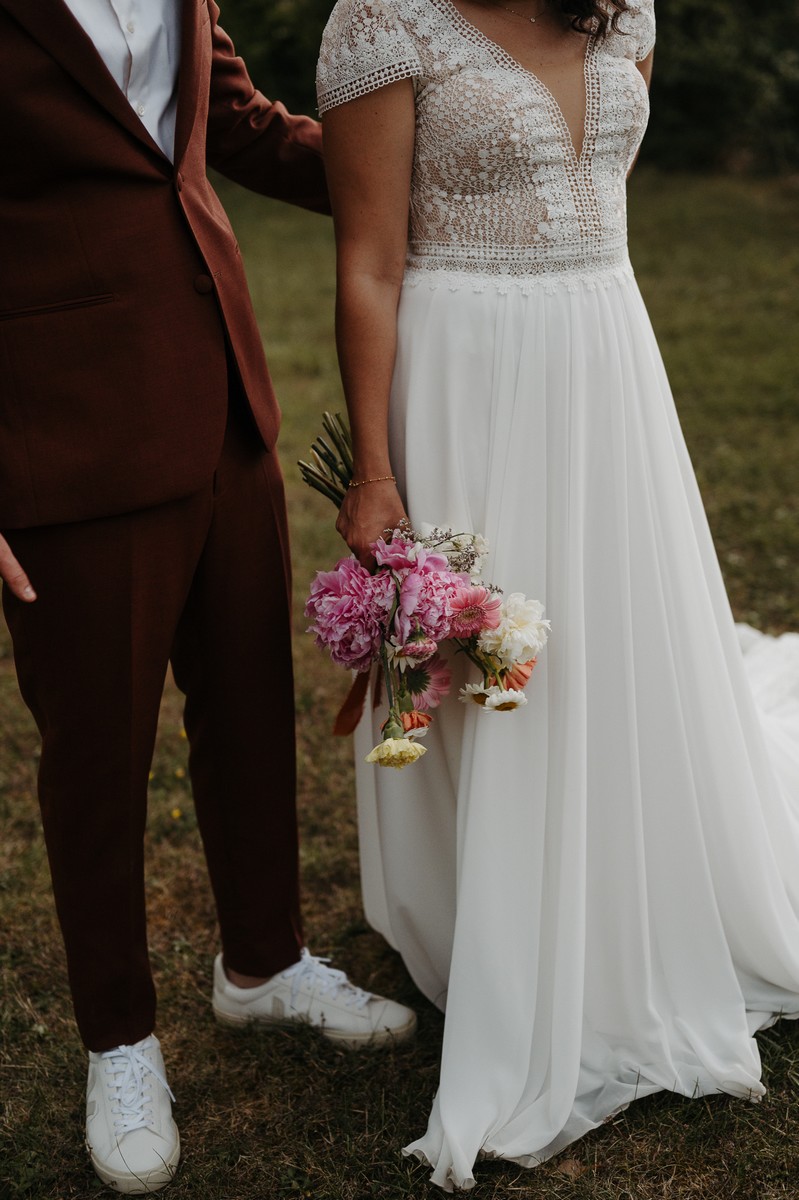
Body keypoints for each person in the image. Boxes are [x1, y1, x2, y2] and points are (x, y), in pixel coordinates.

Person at [316, 0, 799, 1190]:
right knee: (494, 670)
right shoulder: (380, 21)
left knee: (618, 647)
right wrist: (375, 474)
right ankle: (509, 940)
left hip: (606, 352)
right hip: (468, 373)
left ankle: (634, 904)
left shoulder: (620, 4)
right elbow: (370, 260)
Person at [0, 1, 416, 1194]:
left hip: (220, 396)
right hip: (61, 431)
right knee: (98, 753)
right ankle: (118, 1040)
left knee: (247, 709)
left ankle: (264, 961)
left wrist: (438, 174)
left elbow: (236, 124)